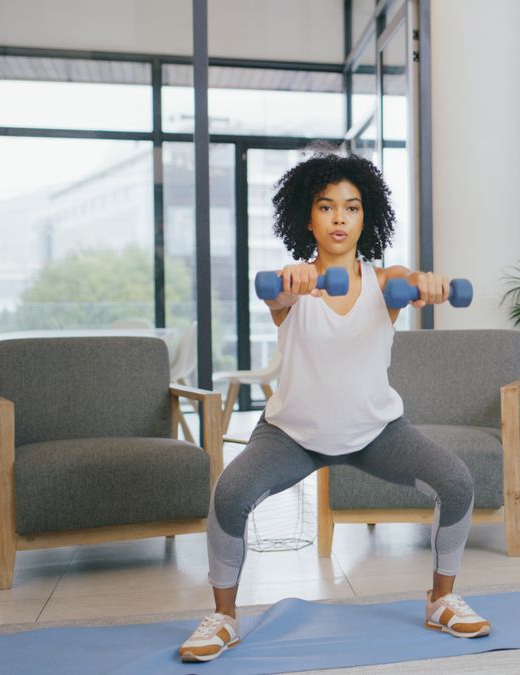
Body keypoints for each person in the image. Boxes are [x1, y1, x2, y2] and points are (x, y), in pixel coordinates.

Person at [179, 153, 487, 663]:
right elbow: (278, 296)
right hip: (293, 434)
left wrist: (427, 283)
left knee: (456, 483)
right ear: (308, 217)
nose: (340, 218)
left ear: (367, 218)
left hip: (376, 431)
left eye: (352, 207)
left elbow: (404, 279)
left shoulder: (386, 283)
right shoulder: (292, 283)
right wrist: (293, 284)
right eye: (326, 207)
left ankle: (441, 600)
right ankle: (225, 619)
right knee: (229, 495)